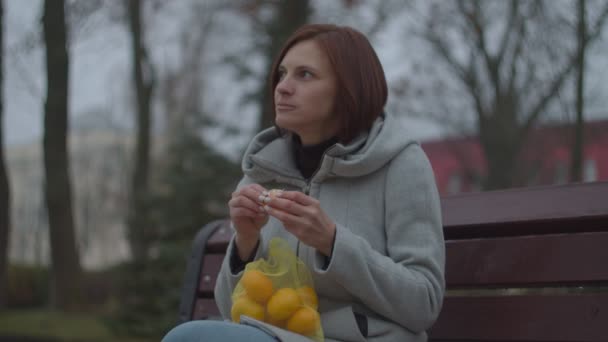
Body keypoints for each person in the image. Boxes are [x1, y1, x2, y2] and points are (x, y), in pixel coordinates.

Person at [162, 24, 445, 342]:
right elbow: (233, 313)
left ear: (348, 88)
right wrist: (246, 241)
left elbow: (424, 302)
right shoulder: (262, 172)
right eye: (282, 74)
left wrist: (333, 242)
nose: (283, 87)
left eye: (305, 74)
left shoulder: (400, 164)